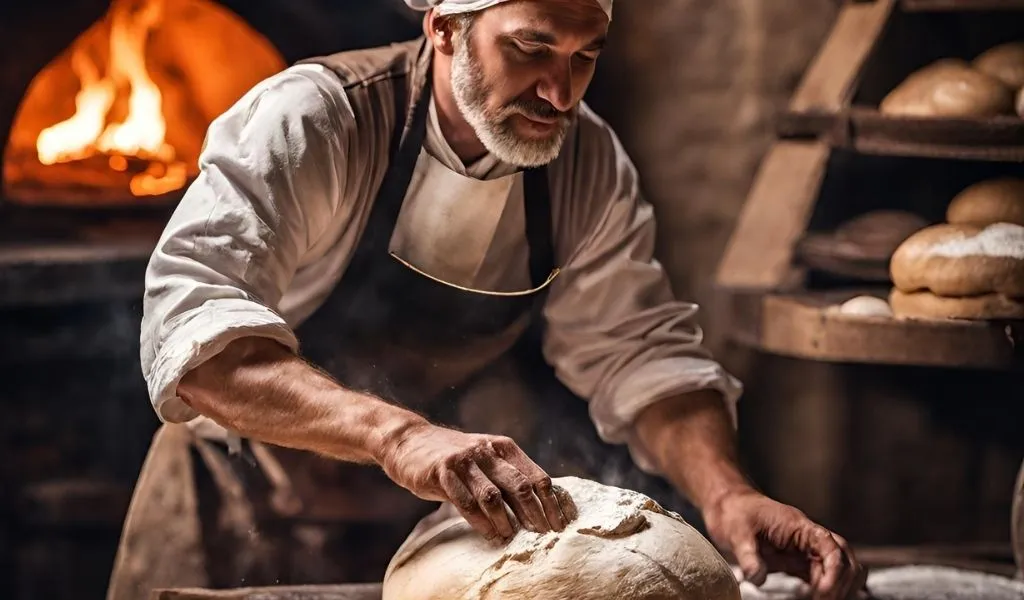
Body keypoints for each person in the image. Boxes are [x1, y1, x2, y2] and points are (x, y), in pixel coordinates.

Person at [107, 0, 866, 598]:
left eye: (585, 55)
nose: (558, 91)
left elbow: (640, 355)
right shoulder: (316, 121)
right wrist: (401, 438)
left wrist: (727, 495)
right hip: (243, 507)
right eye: (531, 48)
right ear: (444, 28)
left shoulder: (585, 163)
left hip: (445, 536)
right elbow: (195, 339)